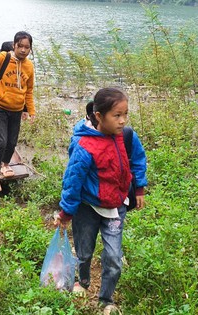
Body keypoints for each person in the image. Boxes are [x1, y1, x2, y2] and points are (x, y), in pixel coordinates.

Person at [54, 87, 147, 315]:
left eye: (125, 114)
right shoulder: (85, 146)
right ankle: (83, 281)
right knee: (84, 252)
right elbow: (73, 181)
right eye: (117, 115)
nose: (122, 121)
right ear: (98, 116)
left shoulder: (126, 136)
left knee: (114, 257)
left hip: (116, 207)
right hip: (88, 207)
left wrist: (140, 189)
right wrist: (66, 212)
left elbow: (138, 159)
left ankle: (106, 299)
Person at [0, 31, 36, 192]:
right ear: (14, 45)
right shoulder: (1, 58)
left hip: (16, 110)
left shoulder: (29, 66)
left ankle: (5, 165)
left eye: (27, 47)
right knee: (1, 141)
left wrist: (30, 110)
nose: (23, 50)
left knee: (12, 141)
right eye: (20, 46)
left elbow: (29, 90)